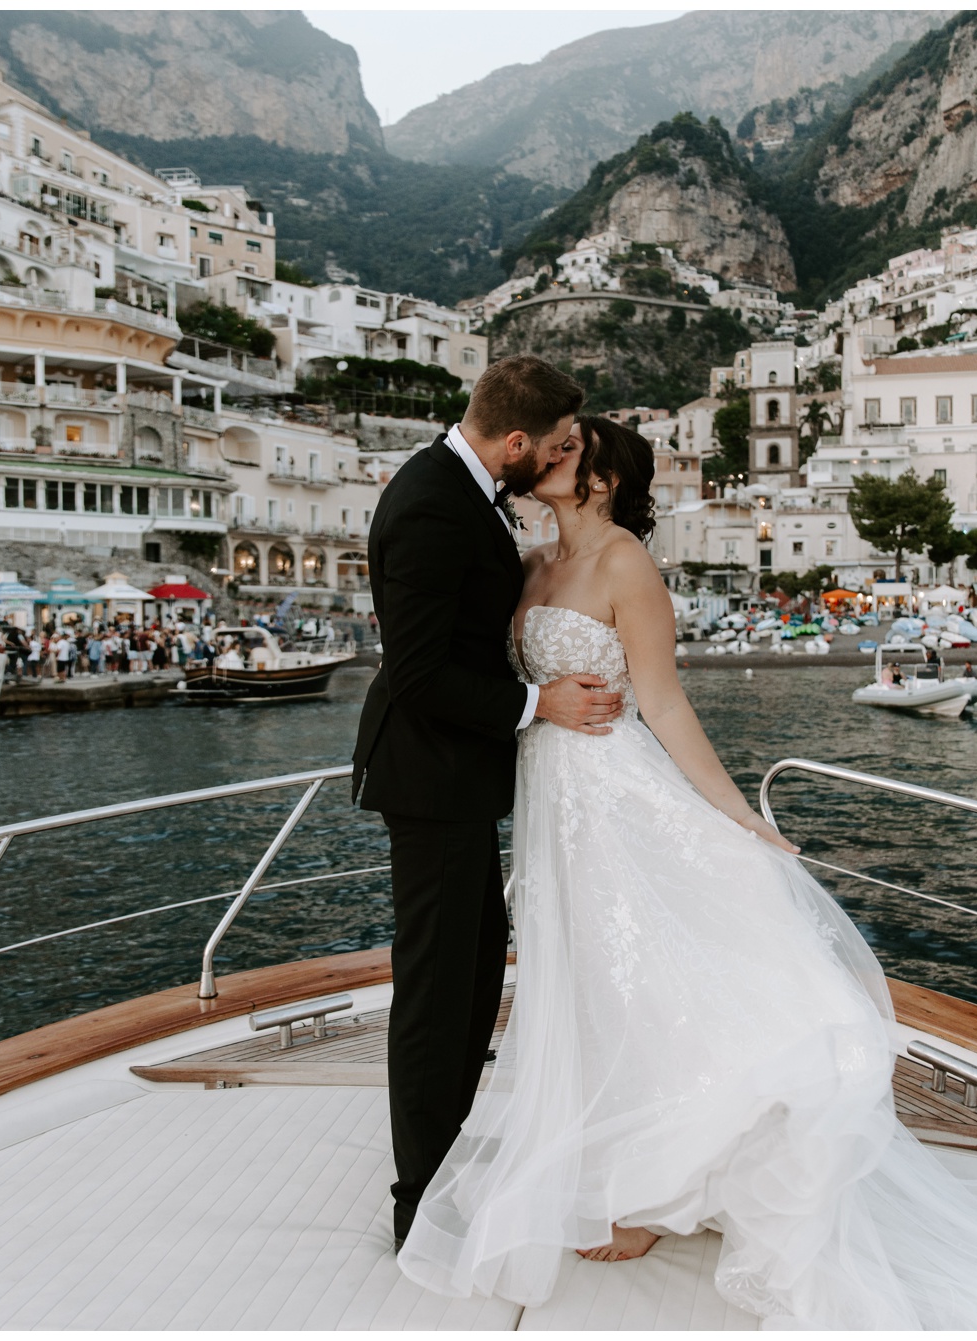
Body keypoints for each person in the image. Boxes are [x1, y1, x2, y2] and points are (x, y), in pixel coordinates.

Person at [396, 417, 977, 1328]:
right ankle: (622, 1165)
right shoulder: (530, 566)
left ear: (604, 479)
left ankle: (653, 1196)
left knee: (643, 986)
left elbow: (662, 702)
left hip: (615, 798)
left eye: (568, 450)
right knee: (589, 987)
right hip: (551, 804)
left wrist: (733, 813)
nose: (547, 457)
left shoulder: (625, 566)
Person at [352, 356, 617, 1254]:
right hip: (427, 778)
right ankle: (418, 1202)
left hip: (456, 776)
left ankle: (448, 1169)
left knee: (469, 982)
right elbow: (420, 673)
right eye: (552, 445)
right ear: (515, 442)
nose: (557, 458)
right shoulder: (430, 502)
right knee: (436, 991)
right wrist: (540, 703)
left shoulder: (464, 490)